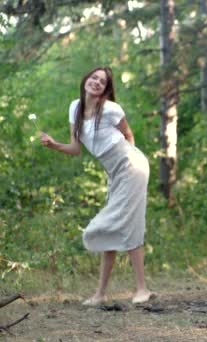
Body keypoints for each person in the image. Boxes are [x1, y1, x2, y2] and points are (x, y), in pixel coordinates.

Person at [40, 66, 155, 305]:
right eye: (93, 77)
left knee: (125, 225)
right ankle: (100, 294)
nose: (96, 82)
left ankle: (142, 289)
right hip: (115, 173)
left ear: (105, 90)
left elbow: (129, 136)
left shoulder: (111, 109)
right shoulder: (75, 108)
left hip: (131, 166)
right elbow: (75, 148)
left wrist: (127, 163)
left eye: (102, 82)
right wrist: (54, 145)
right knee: (110, 231)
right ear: (85, 79)